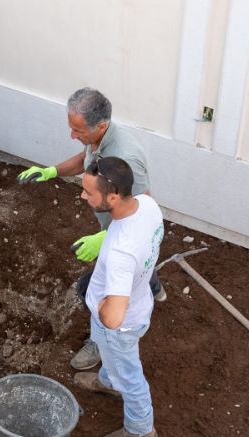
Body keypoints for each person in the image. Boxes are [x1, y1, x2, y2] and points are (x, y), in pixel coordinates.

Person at [17, 87, 165, 370]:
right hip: (112, 226)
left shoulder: (126, 156)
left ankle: (101, 342)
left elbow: (144, 208)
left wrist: (106, 239)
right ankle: (155, 288)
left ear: (101, 125)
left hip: (121, 234)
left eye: (77, 130)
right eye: (71, 128)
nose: (73, 135)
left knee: (103, 287)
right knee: (143, 265)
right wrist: (51, 171)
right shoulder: (97, 138)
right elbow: (84, 162)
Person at [73, 156, 163, 437]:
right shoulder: (146, 205)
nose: (82, 195)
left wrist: (101, 307)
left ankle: (140, 430)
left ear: (112, 196)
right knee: (114, 361)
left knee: (132, 379)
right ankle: (108, 381)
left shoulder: (121, 255)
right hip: (140, 303)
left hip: (121, 328)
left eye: (89, 192)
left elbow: (113, 318)